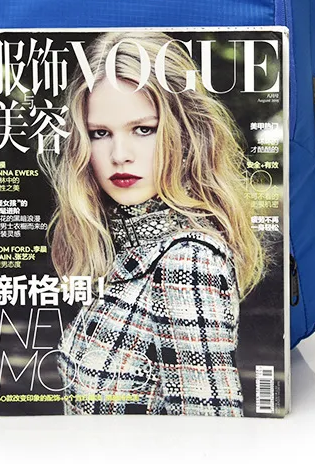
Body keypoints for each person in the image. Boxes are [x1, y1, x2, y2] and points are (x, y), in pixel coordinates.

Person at [39, 30, 264, 416]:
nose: (119, 155)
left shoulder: (188, 260)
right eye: (100, 133)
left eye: (143, 129)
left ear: (187, 134)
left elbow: (211, 430)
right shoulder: (127, 250)